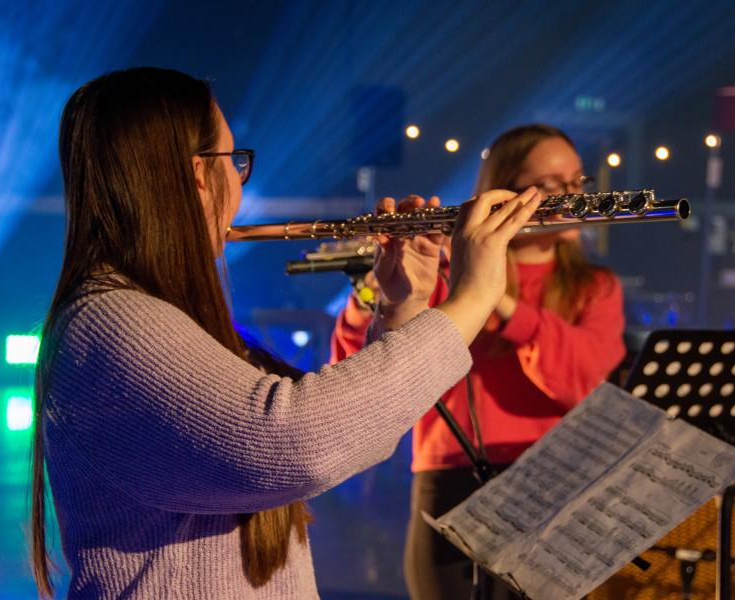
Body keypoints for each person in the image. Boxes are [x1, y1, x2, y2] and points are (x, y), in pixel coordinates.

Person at [27, 67, 542, 599]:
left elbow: (336, 434)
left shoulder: (143, 310)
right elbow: (295, 443)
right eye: (236, 162)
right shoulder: (111, 320)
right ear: (200, 174)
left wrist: (404, 303)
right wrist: (474, 295)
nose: (238, 186)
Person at [331, 124, 626, 600]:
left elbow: (582, 380)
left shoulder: (597, 287)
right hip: (449, 480)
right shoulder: (443, 273)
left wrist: (491, 297)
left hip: (560, 481)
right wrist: (382, 290)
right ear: (503, 192)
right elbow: (358, 372)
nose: (572, 196)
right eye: (552, 186)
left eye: (578, 182)